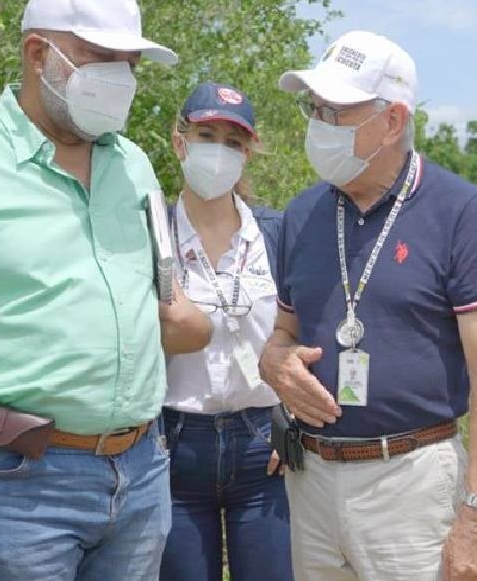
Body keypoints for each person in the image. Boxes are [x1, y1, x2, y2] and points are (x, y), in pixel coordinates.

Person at [0, 0, 209, 580]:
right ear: (38, 53)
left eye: (130, 64)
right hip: (12, 485)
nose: (121, 79)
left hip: (141, 473)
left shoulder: (135, 167)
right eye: (101, 57)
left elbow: (166, 293)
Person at [258, 30, 477, 581]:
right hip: (313, 482)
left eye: (335, 112)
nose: (317, 125)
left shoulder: (459, 210)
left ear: (393, 121)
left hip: (411, 480)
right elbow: (283, 333)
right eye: (314, 108)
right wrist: (273, 362)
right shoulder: (301, 214)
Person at [158, 82, 293, 580]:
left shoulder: (277, 234)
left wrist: (294, 420)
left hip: (264, 448)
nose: (219, 150)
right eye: (206, 134)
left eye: (233, 142)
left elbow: (304, 335)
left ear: (248, 153)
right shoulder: (153, 233)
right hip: (174, 446)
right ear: (179, 140)